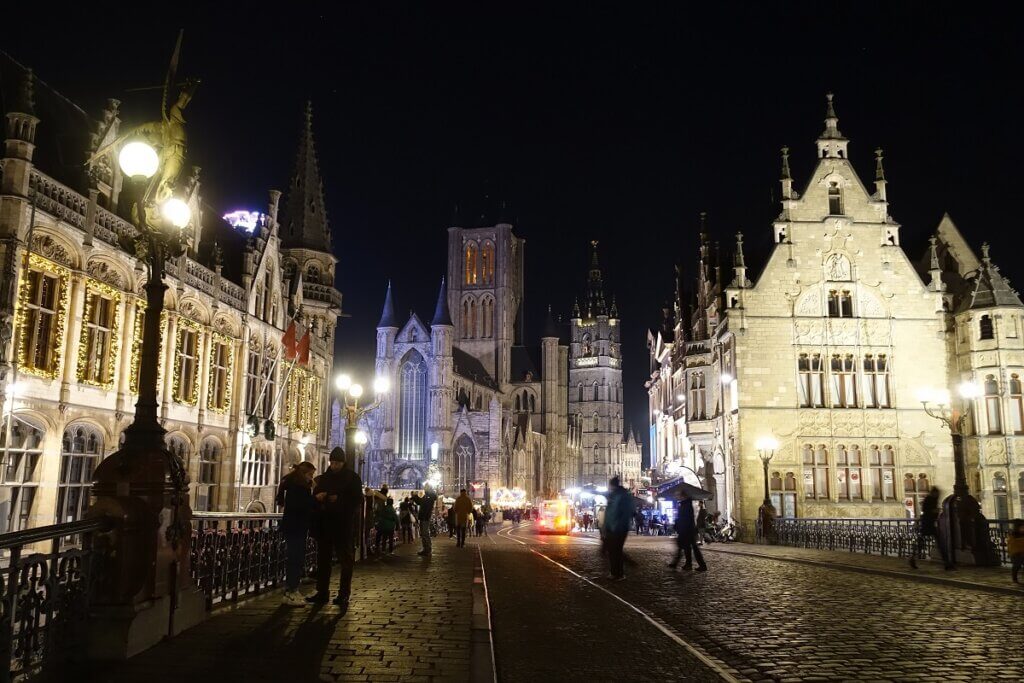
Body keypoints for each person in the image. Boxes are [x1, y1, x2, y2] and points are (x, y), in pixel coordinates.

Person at [307, 447, 363, 609]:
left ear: (343, 463)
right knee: (323, 560)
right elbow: (315, 495)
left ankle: (344, 593)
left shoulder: (352, 478)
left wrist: (338, 499)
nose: (334, 466)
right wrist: (320, 498)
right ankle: (322, 592)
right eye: (332, 463)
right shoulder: (324, 478)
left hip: (343, 525)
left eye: (337, 463)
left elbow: (356, 500)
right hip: (325, 524)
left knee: (345, 560)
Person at [276, 461, 316, 606]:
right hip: (296, 527)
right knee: (295, 559)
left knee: (296, 559)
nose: (311, 478)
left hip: (295, 527)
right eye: (310, 475)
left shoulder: (296, 486)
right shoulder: (299, 488)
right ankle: (291, 591)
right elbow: (301, 506)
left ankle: (292, 589)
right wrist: (315, 498)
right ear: (303, 474)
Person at [910, 487, 952, 570]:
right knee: (935, 544)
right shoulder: (929, 499)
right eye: (937, 493)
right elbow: (926, 510)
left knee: (938, 544)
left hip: (930, 524)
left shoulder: (933, 499)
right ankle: (912, 558)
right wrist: (935, 511)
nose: (938, 495)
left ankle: (947, 563)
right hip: (927, 524)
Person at [603, 476, 634, 580]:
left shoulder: (621, 496)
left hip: (618, 528)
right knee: (614, 551)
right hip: (613, 527)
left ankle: (618, 573)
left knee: (615, 551)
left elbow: (623, 513)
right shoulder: (615, 495)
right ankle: (616, 572)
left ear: (612, 485)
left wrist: (615, 526)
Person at [669, 490, 707, 572]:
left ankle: (696, 565)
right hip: (687, 529)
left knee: (689, 548)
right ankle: (689, 564)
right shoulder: (685, 504)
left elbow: (685, 518)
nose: (676, 497)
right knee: (687, 548)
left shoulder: (686, 505)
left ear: (683, 496)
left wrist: (679, 526)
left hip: (687, 530)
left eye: (678, 495)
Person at [411, 483, 437, 556]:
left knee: (425, 533)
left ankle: (427, 549)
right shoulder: (427, 496)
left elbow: (422, 503)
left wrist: (415, 497)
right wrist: (415, 497)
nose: (424, 488)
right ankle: (425, 549)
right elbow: (420, 502)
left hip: (425, 517)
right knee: (423, 533)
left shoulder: (429, 496)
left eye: (425, 487)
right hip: (424, 516)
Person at [1006, 519, 1023, 584]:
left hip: (1022, 553)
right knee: (1017, 566)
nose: (1023, 529)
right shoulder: (1013, 535)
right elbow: (1012, 545)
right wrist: (1017, 552)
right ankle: (1014, 578)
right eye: (1021, 527)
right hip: (1016, 554)